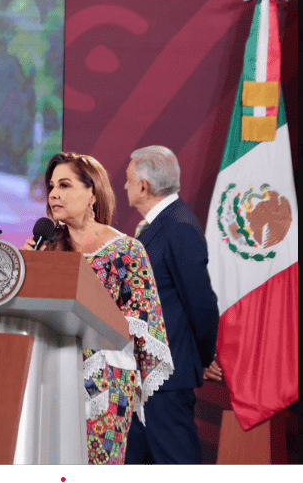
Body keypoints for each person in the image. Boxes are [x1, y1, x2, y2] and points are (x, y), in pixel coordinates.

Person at [22, 152, 174, 465]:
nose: (53, 194)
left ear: (92, 192)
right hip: (48, 375)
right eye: (51, 186)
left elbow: (145, 321)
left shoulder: (126, 250)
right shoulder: (46, 249)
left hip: (105, 383)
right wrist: (28, 271)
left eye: (64, 185)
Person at [123, 145, 219, 464]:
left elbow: (201, 301)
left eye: (128, 180)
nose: (124, 187)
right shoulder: (159, 226)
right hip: (145, 375)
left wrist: (203, 355)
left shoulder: (177, 226)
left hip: (168, 375)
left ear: (143, 186)